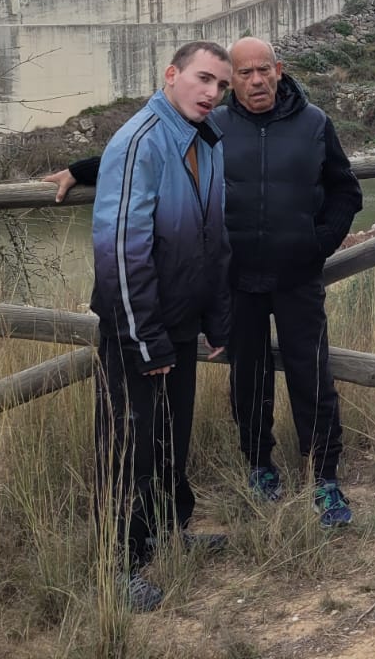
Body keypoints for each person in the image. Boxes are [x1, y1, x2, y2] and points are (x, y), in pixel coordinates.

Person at [47, 37, 363, 529]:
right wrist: (79, 169)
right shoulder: (211, 123)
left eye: (263, 71)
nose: (254, 81)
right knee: (247, 380)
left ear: (279, 70)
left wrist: (317, 242)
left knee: (312, 375)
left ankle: (323, 475)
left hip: (297, 277)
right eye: (240, 74)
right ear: (230, 81)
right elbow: (145, 152)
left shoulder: (314, 123)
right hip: (238, 280)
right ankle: (259, 465)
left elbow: (346, 189)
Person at [90, 40, 233, 613]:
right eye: (203, 79)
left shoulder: (205, 139)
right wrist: (143, 336)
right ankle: (115, 566)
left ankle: (169, 533)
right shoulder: (140, 142)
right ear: (170, 74)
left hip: (179, 322)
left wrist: (216, 318)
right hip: (136, 327)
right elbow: (121, 249)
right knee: (127, 444)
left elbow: (213, 239)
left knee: (171, 434)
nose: (212, 92)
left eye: (219, 85)